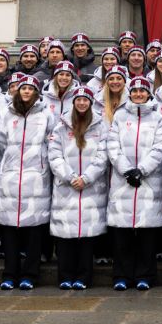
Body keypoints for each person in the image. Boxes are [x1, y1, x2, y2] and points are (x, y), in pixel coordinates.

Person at [0, 75, 54, 290]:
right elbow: (0, 144)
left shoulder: (46, 115)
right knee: (10, 231)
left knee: (35, 231)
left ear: (37, 93)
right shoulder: (6, 114)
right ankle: (9, 273)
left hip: (36, 178)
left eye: (30, 89)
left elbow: (51, 142)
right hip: (10, 177)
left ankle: (30, 274)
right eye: (23, 88)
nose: (26, 92)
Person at [108, 77, 162, 291]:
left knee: (147, 236)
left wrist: (141, 170)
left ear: (149, 94)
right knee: (122, 236)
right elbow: (112, 145)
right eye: (135, 91)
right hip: (123, 181)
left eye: (143, 91)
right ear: (130, 94)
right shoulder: (120, 116)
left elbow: (160, 147)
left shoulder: (158, 118)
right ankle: (121, 275)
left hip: (148, 182)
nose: (139, 94)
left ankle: (145, 275)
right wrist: (126, 170)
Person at [49, 87, 109, 290]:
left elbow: (103, 156)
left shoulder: (101, 126)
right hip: (67, 187)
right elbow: (54, 155)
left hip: (91, 189)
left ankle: (84, 277)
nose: (82, 103)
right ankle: (65, 276)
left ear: (91, 103)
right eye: (79, 100)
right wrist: (70, 177)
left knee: (86, 237)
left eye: (86, 100)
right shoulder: (60, 126)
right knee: (65, 236)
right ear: (73, 102)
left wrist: (87, 177)